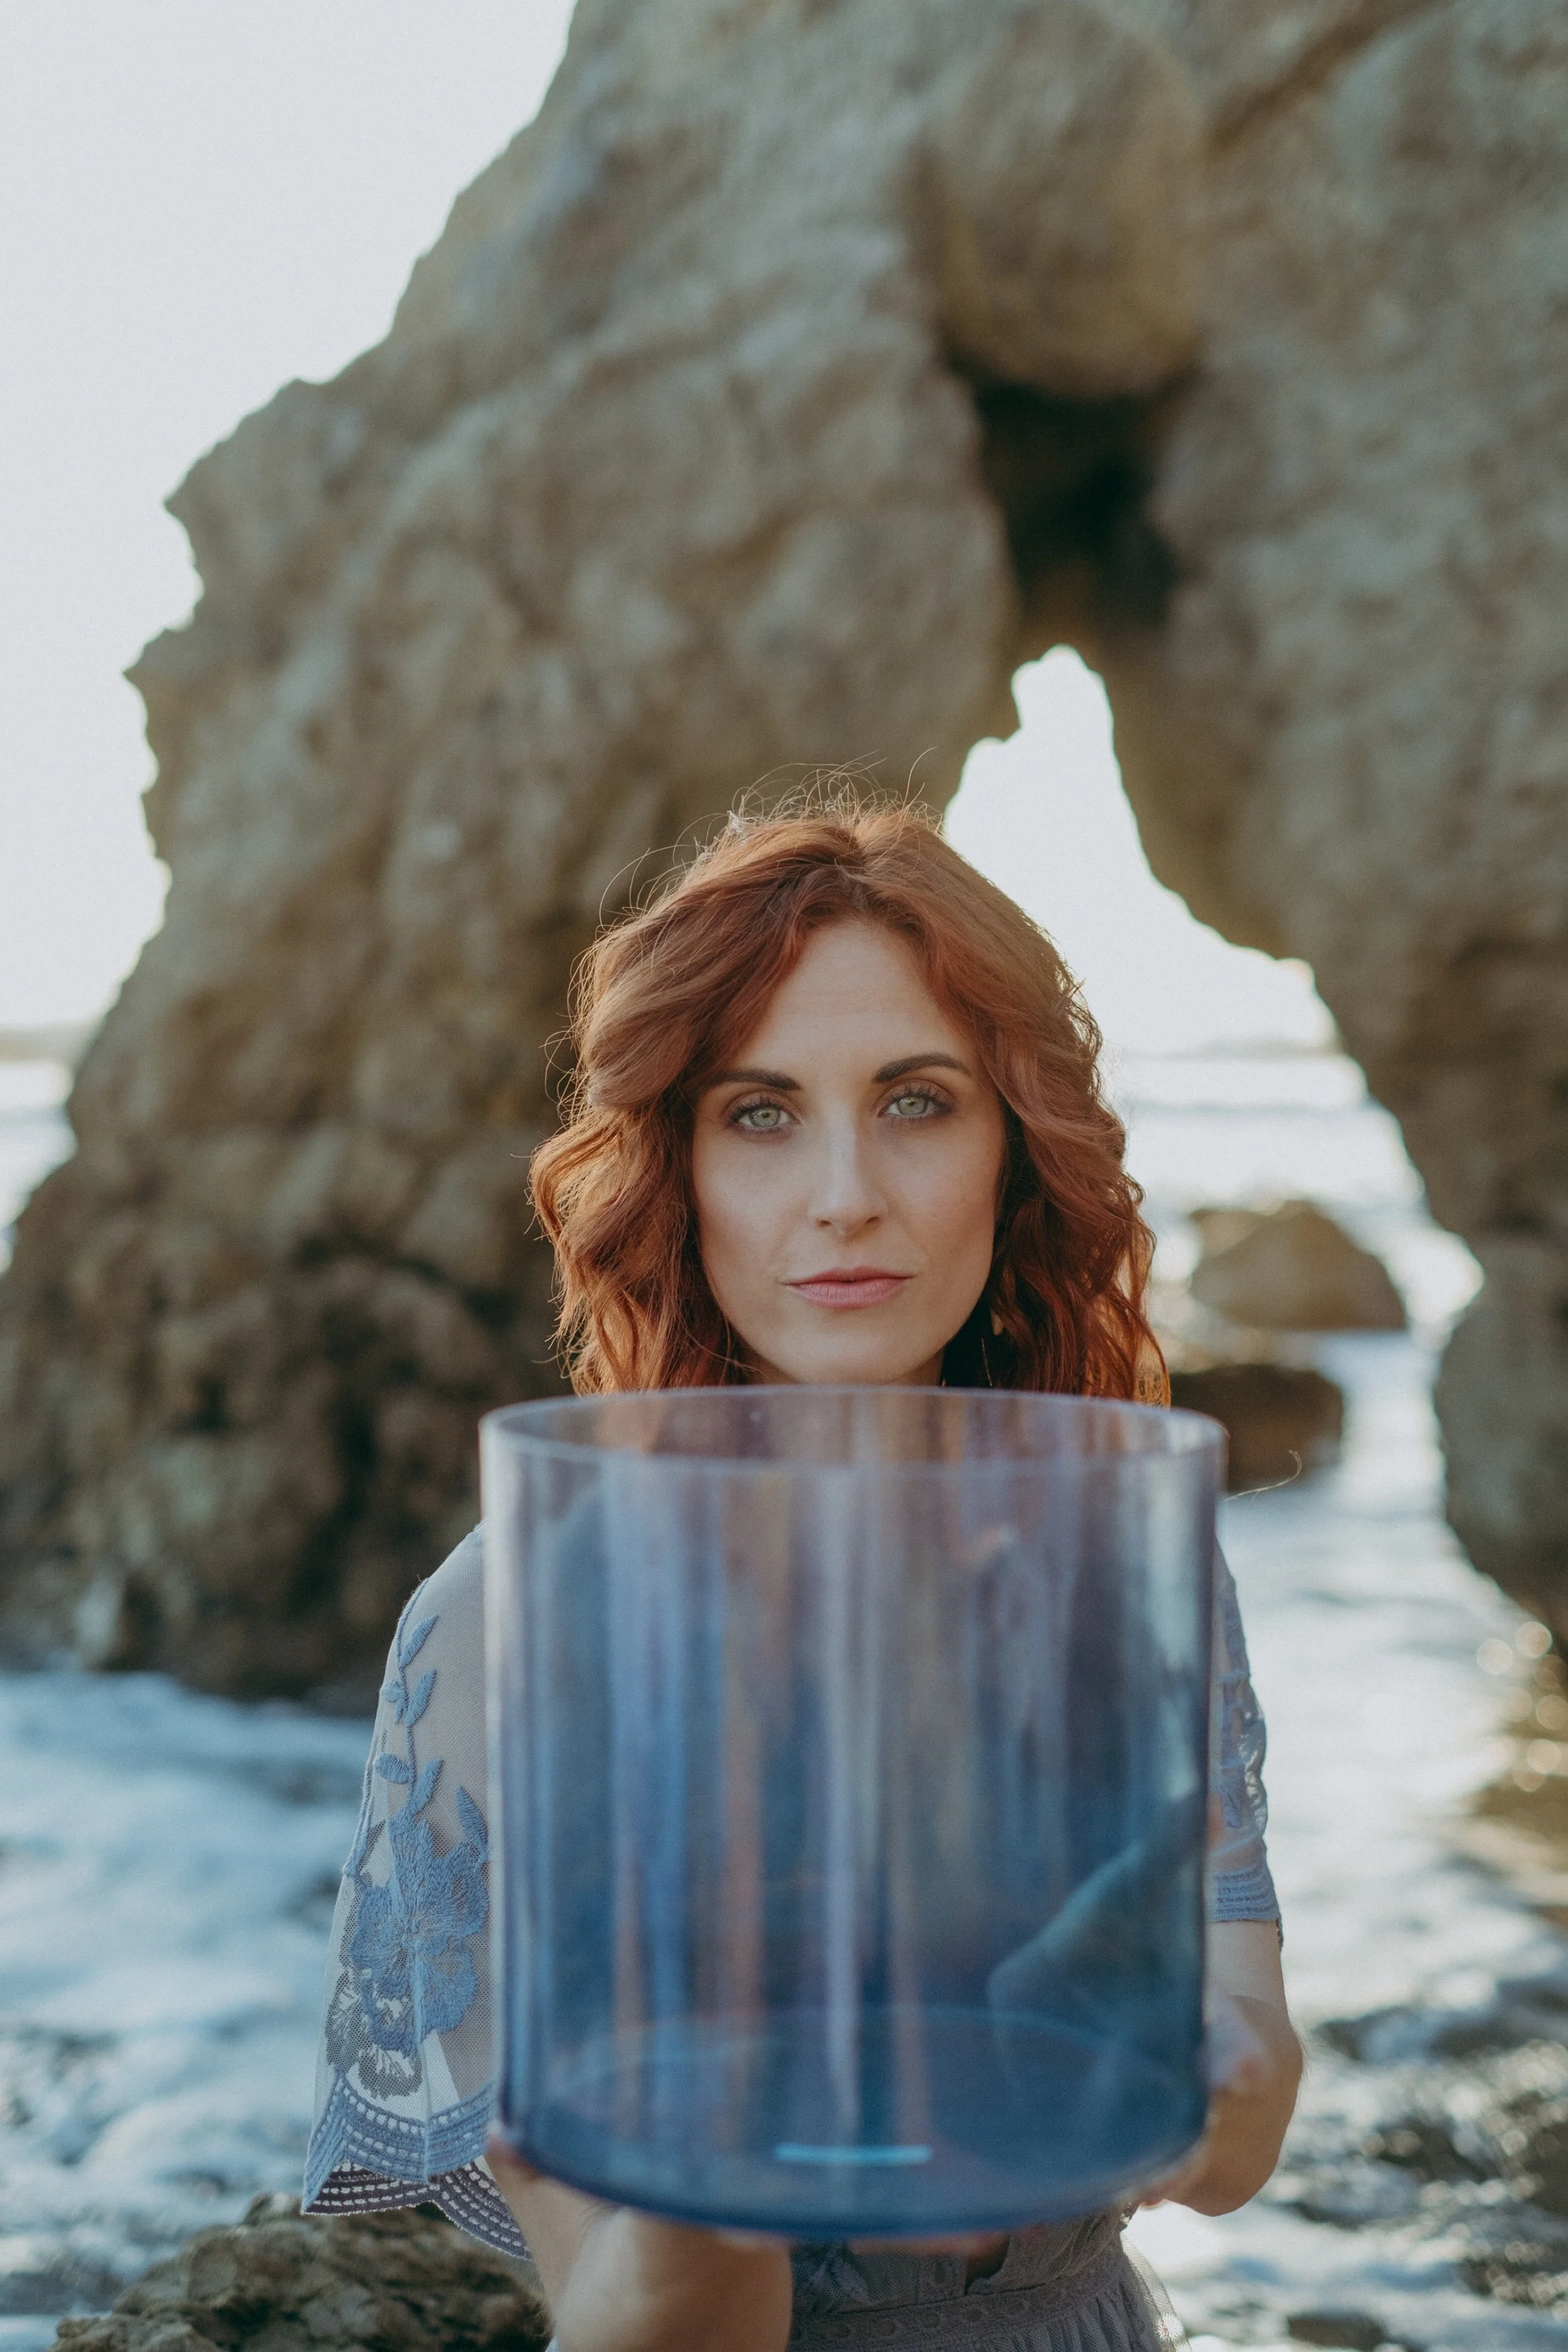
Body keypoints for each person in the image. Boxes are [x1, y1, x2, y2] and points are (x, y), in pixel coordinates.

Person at [304, 798, 1301, 2352]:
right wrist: (711, 2178)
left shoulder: (1121, 1568)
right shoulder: (514, 1622)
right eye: (758, 1113)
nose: (844, 1191)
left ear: (1013, 1151)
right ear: (675, 1168)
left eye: (916, 1102)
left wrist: (1199, 2081)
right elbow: (631, 2321)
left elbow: (1241, 2140)